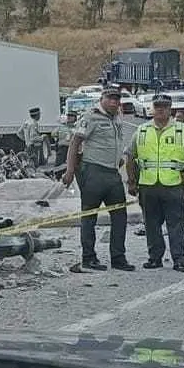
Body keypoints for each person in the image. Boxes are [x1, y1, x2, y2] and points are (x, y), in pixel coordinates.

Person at [125, 94, 184, 273]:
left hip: (173, 185)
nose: (161, 109)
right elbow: (130, 156)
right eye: (157, 106)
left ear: (170, 110)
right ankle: (155, 258)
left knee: (175, 224)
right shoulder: (142, 130)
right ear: (152, 109)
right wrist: (131, 181)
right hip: (148, 185)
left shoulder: (182, 130)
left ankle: (180, 260)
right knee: (151, 224)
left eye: (164, 106)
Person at [61, 86, 134, 272]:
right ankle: (89, 257)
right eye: (110, 98)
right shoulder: (90, 117)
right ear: (102, 99)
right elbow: (75, 143)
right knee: (89, 216)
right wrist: (70, 170)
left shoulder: (117, 117)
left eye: (117, 99)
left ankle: (118, 258)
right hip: (93, 172)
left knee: (120, 216)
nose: (114, 102)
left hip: (112, 173)